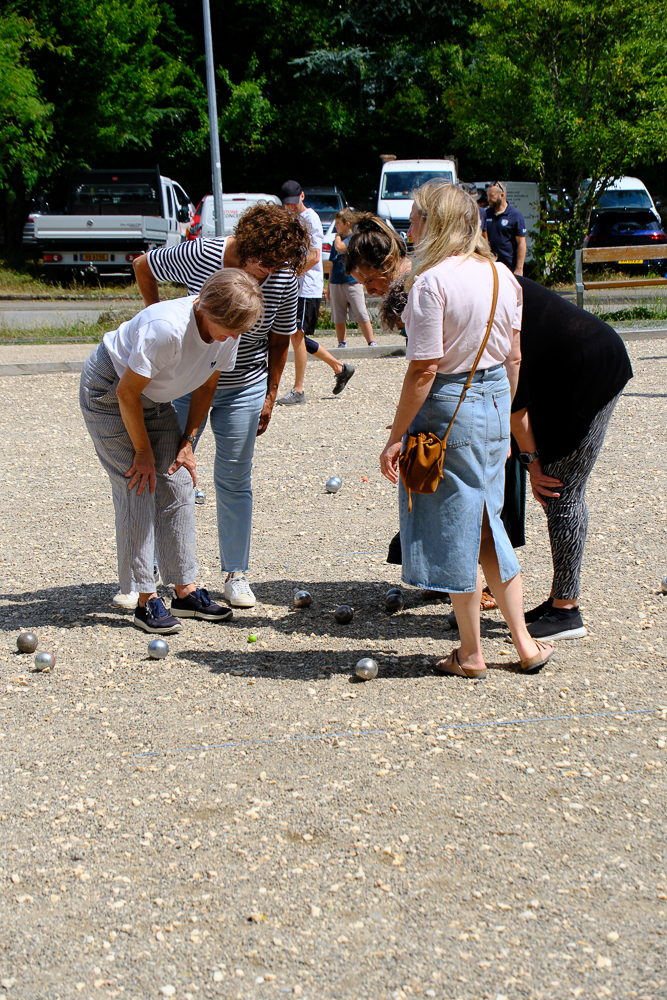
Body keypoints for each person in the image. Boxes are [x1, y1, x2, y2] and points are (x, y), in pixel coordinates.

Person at [379, 181, 553, 678]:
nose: (408, 229)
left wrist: (396, 435)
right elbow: (514, 358)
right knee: (483, 521)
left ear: (433, 224)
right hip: (496, 400)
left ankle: (473, 651)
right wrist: (504, 414)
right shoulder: (503, 275)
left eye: (414, 219)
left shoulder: (431, 283)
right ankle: (522, 643)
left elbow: (423, 371)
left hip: (446, 406)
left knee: (454, 522)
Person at [133, 202, 309, 609]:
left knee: (234, 478)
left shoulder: (283, 275)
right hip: (183, 380)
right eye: (264, 261)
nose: (270, 271)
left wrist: (270, 393)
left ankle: (236, 573)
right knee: (168, 472)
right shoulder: (203, 253)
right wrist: (154, 313)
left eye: (279, 263)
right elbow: (144, 265)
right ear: (246, 244)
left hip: (244, 382)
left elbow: (281, 336)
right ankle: (162, 570)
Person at [80, 270, 264, 634]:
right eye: (228, 327)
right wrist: (142, 452)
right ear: (204, 307)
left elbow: (206, 387)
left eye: (239, 330)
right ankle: (145, 599)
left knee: (179, 482)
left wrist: (187, 442)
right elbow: (126, 394)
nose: (233, 337)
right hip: (111, 390)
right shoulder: (167, 328)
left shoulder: (229, 330)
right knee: (139, 483)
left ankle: (185, 592)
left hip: (152, 397)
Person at [510, 276, 632, 640]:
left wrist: (532, 464)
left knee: (560, 489)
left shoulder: (478, 303)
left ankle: (567, 611)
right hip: (576, 362)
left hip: (591, 367)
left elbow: (516, 405)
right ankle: (558, 600)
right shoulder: (486, 277)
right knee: (556, 485)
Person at [276, 181, 355, 405]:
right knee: (296, 336)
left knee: (297, 335)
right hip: (298, 286)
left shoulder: (311, 219)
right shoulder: (291, 218)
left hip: (306, 287)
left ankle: (299, 390)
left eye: (294, 203)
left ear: (302, 196)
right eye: (287, 205)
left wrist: (291, 275)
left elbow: (314, 257)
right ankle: (340, 367)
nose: (291, 207)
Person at [327, 208, 377, 348]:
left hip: (352, 281)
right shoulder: (335, 243)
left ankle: (371, 341)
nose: (336, 226)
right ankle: (341, 342)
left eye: (338, 223)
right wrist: (328, 286)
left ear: (347, 223)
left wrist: (337, 236)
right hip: (336, 281)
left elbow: (340, 247)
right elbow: (332, 264)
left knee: (361, 312)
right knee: (338, 316)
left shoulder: (353, 239)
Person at [345, 213, 411, 296]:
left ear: (390, 262)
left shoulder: (418, 292)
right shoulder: (399, 296)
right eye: (363, 284)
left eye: (369, 281)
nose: (369, 292)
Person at [485, 182, 527, 276]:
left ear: (502, 195)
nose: (489, 199)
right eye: (488, 196)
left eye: (492, 196)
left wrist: (519, 269)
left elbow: (521, 243)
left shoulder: (515, 215)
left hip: (509, 268)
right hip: (490, 266)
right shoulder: (486, 214)